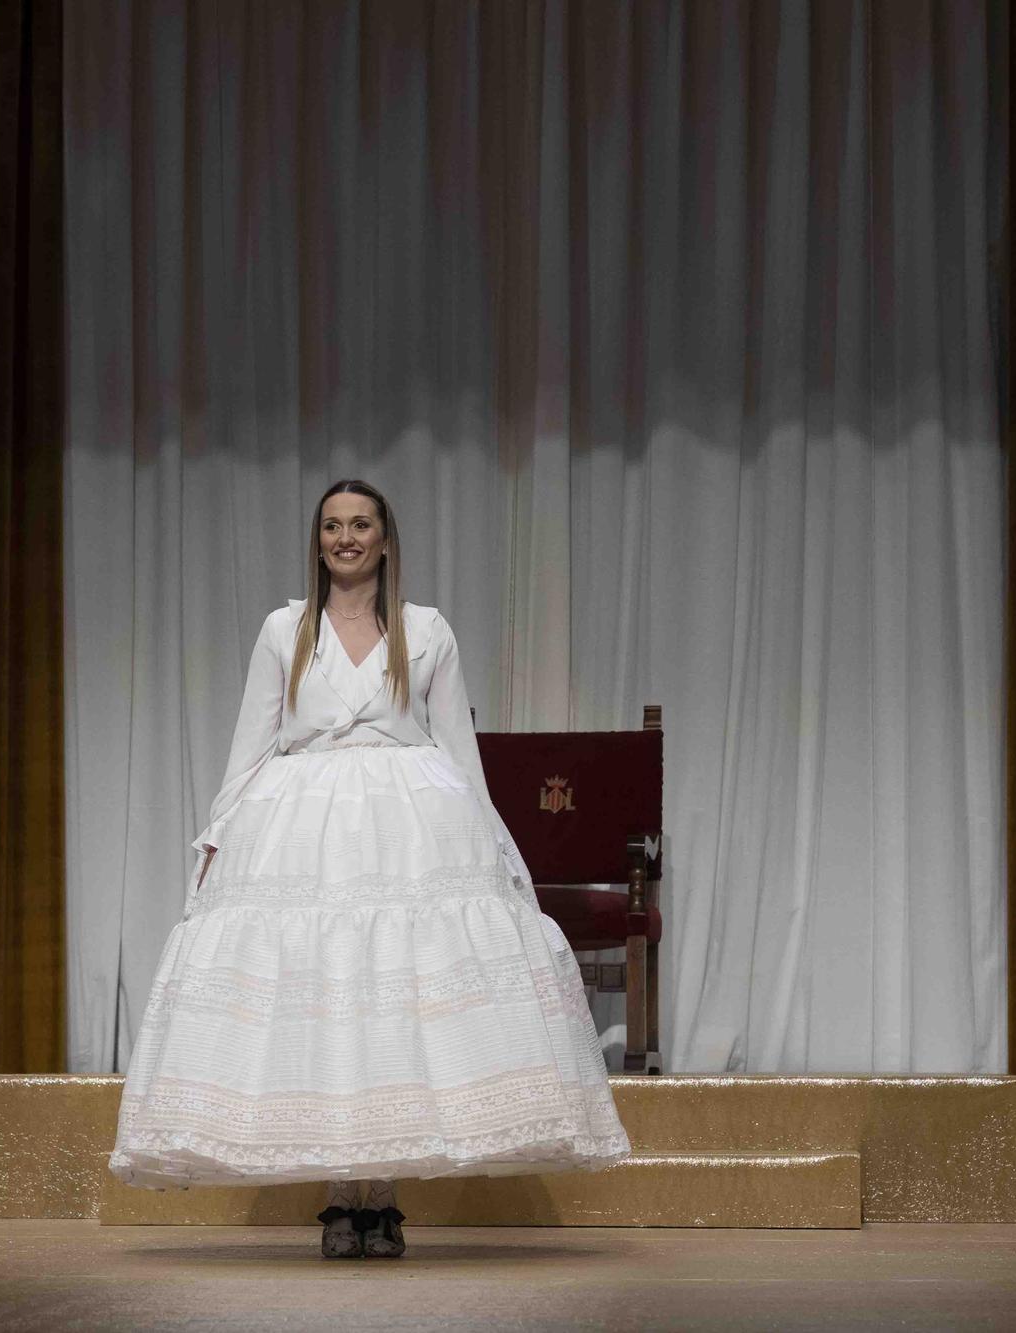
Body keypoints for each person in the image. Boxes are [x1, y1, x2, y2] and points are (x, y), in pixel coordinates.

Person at [109, 479, 629, 1257]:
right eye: (331, 526)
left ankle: (378, 1196)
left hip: (409, 822)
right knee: (325, 998)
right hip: (300, 826)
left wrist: (495, 844)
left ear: (386, 540)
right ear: (316, 540)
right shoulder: (286, 629)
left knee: (392, 1002)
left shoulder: (426, 630)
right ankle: (341, 1194)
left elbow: (458, 747)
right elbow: (252, 741)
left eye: (360, 525)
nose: (345, 537)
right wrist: (215, 838)